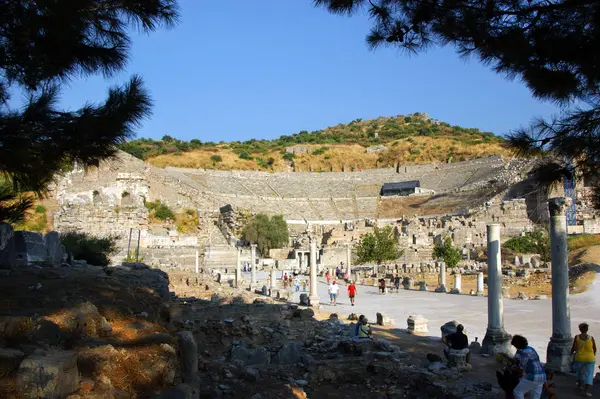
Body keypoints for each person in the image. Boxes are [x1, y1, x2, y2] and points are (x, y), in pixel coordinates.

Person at [504, 335, 546, 399]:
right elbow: (516, 360)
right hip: (542, 376)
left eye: (515, 346)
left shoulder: (524, 352)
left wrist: (509, 368)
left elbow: (521, 368)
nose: (515, 347)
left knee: (517, 391)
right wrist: (506, 356)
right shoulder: (529, 348)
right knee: (535, 397)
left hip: (533, 376)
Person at [571, 322, 597, 396]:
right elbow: (594, 349)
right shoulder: (591, 338)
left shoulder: (577, 337)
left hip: (579, 358)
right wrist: (592, 354)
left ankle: (580, 385)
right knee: (589, 374)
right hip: (590, 358)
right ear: (587, 329)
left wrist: (571, 353)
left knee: (579, 372)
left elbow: (574, 348)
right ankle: (587, 391)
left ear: (580, 329)